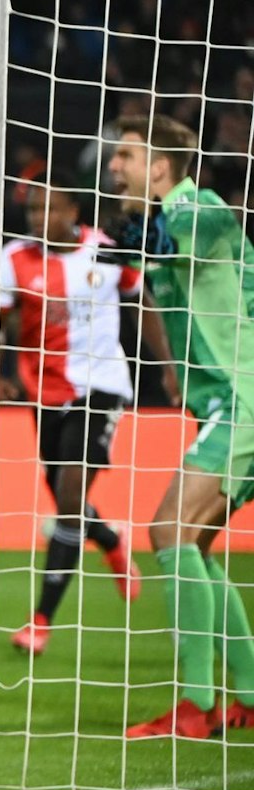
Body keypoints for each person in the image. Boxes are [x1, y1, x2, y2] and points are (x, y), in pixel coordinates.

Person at [106, 116, 254, 738]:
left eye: (125, 157)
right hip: (223, 404)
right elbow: (160, 293)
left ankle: (194, 704)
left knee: (165, 529)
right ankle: (245, 693)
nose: (114, 167)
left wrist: (143, 242)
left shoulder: (198, 209)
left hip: (241, 403)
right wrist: (169, 371)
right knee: (192, 546)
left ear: (160, 167)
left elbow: (204, 230)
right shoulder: (153, 228)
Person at [0, 176, 142, 656]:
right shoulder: (15, 258)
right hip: (47, 393)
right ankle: (109, 538)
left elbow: (145, 299)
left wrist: (166, 371)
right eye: (33, 212)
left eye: (48, 210)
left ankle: (40, 620)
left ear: (72, 211)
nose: (39, 220)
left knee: (68, 494)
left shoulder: (105, 250)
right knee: (66, 502)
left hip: (102, 387)